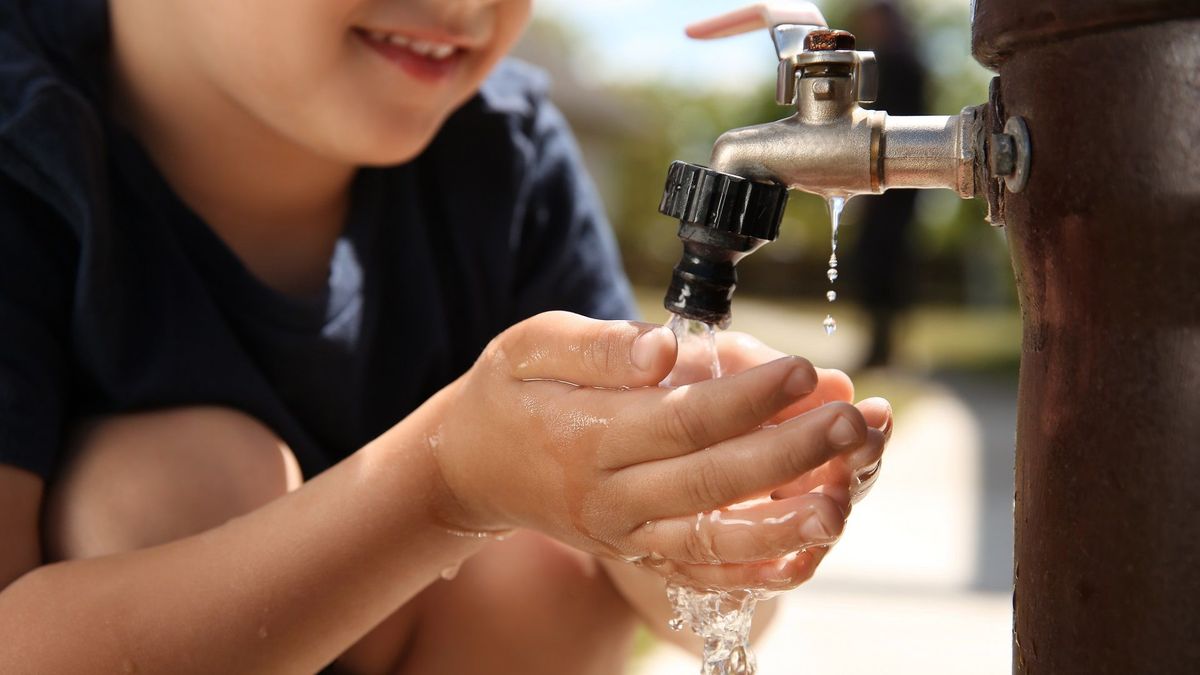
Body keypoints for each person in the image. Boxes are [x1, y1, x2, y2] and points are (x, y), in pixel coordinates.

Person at [0, 0, 893, 672]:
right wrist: (441, 486)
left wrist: (702, 496)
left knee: (553, 562)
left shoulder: (501, 157)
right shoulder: (24, 142)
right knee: (170, 486)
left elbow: (676, 609)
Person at [851, 0, 928, 368]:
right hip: (891, 180)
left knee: (885, 262)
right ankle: (878, 345)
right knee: (875, 262)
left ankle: (883, 347)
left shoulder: (895, 65)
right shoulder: (899, 63)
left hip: (895, 179)